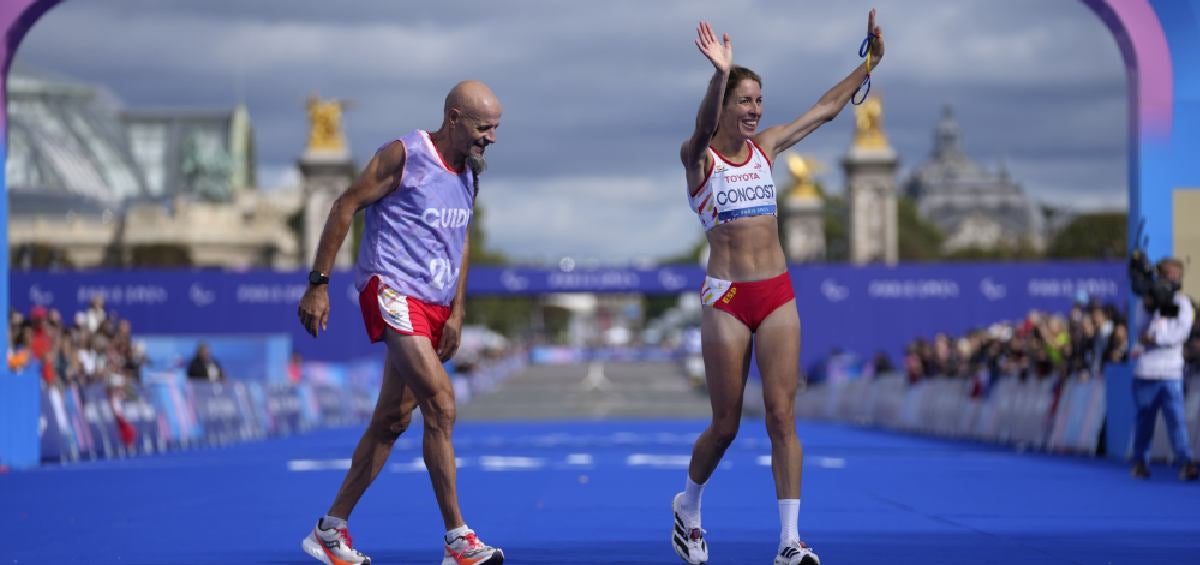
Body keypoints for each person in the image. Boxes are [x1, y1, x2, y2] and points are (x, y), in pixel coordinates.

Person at [672, 12, 885, 565]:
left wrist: (867, 64)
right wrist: (719, 74)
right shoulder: (699, 157)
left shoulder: (767, 148)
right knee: (724, 425)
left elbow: (824, 110)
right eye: (745, 101)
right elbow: (699, 126)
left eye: (759, 101)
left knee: (782, 417)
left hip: (776, 295)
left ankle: (790, 541)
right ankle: (688, 507)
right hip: (726, 298)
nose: (755, 110)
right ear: (724, 106)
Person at [296, 80, 504, 565]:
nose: (491, 138)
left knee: (392, 422)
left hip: (434, 304)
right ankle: (458, 540)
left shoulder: (470, 171)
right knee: (441, 403)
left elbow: (461, 238)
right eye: (483, 127)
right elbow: (344, 204)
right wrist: (319, 283)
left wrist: (456, 310)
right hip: (391, 290)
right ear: (453, 119)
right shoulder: (403, 155)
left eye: (496, 128)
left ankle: (330, 530)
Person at [1129, 258, 1199, 481]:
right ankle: (1140, 461)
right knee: (1145, 421)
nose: (1173, 278)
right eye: (1168, 274)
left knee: (1176, 419)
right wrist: (1152, 307)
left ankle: (1186, 462)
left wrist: (1156, 338)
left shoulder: (1183, 303)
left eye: (1176, 275)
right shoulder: (1144, 303)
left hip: (1171, 372)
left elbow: (1181, 332)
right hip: (1146, 372)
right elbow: (1140, 329)